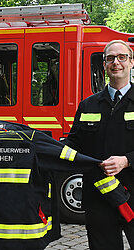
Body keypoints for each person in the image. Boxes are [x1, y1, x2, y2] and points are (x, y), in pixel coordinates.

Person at [66, 40, 134, 250]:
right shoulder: (88, 104)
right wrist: (43, 148)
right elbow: (74, 143)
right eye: (110, 58)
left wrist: (126, 160)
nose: (116, 62)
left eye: (122, 57)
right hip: (98, 198)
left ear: (131, 62)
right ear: (104, 64)